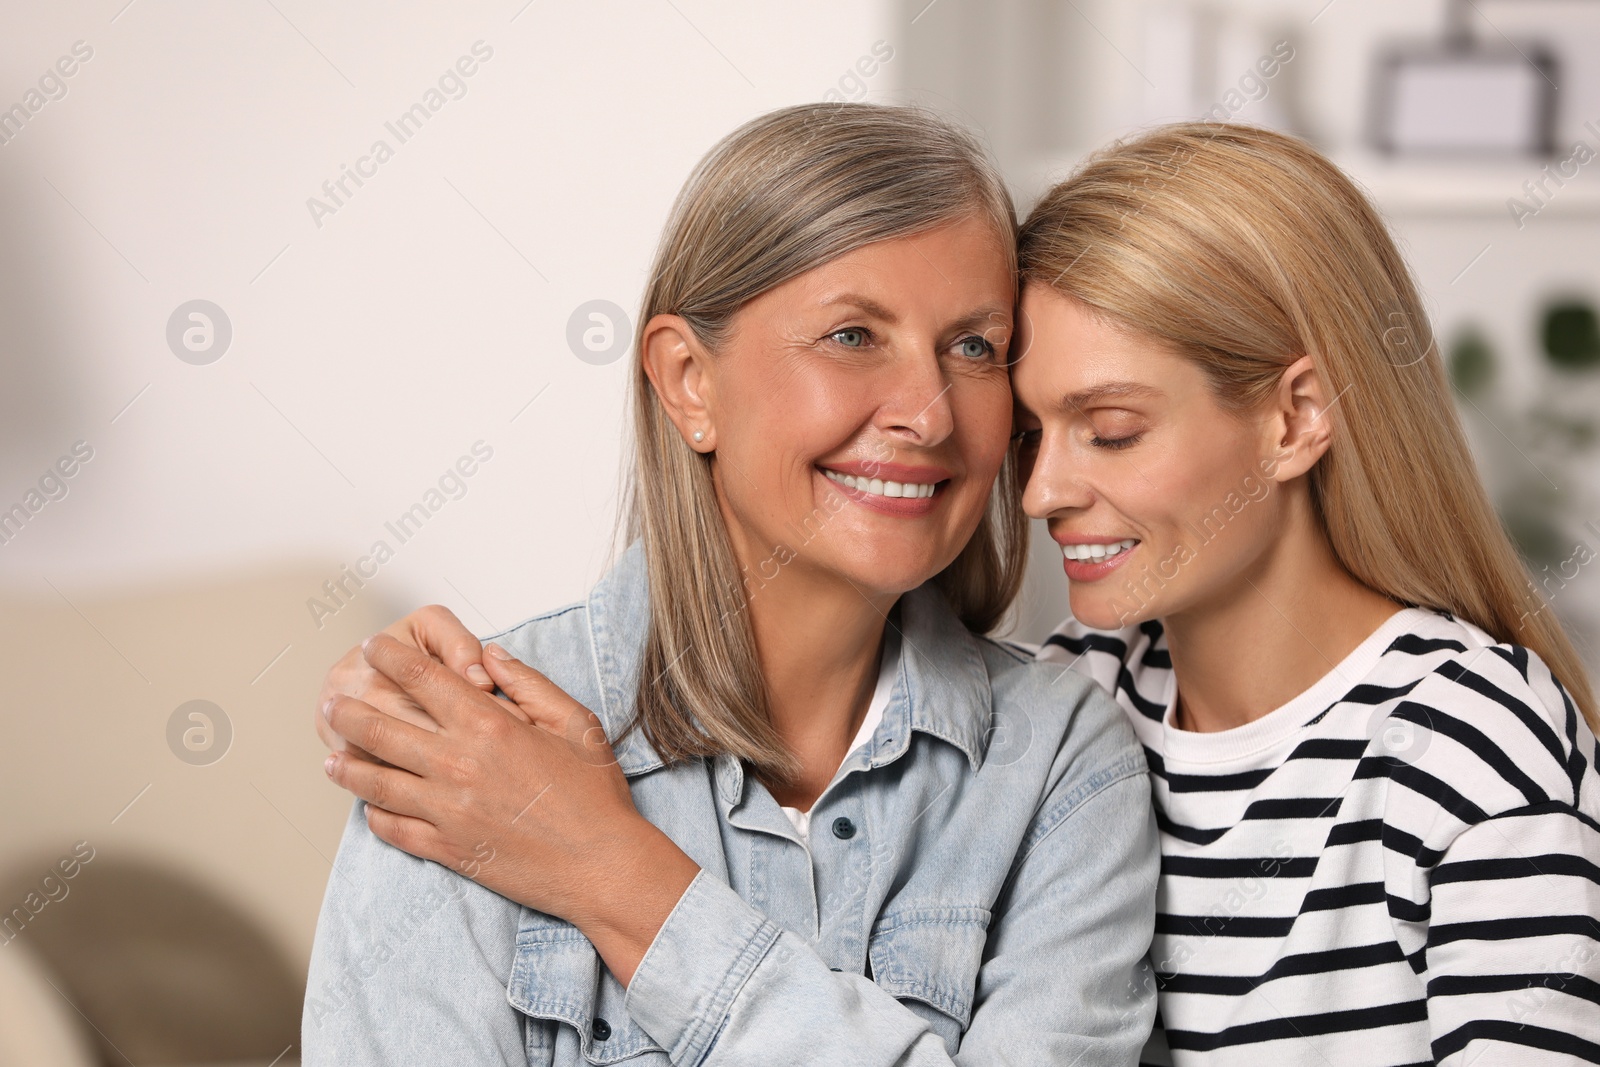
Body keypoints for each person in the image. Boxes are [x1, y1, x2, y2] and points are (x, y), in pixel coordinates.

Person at [302, 102, 1159, 1065]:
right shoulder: (465, 745)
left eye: (972, 347)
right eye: (853, 335)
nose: (927, 412)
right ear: (688, 381)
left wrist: (614, 871)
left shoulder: (1062, 767)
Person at [1013, 122, 1600, 1065]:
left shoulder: (1468, 740)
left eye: (1110, 428)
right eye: (1028, 434)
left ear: (1297, 418)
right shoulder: (1062, 702)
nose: (1043, 491)